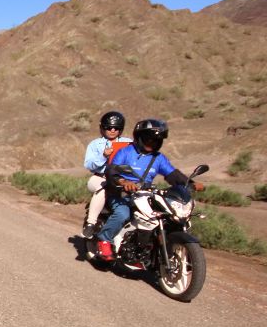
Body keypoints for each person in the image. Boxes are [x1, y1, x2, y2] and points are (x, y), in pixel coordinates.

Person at [96, 118, 203, 262]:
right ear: (139, 137)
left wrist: (191, 183)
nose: (151, 143)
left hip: (144, 195)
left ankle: (151, 249)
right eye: (148, 139)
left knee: (166, 216)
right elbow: (111, 170)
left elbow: (172, 174)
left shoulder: (158, 158)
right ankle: (104, 240)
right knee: (122, 213)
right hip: (120, 193)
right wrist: (123, 181)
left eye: (156, 140)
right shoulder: (125, 152)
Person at [82, 111, 131, 238]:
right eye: (109, 127)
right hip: (99, 178)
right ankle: (91, 223)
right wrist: (103, 156)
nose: (113, 130)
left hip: (121, 179)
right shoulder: (94, 144)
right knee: (103, 188)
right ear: (103, 128)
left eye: (116, 128)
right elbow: (89, 165)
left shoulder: (129, 143)